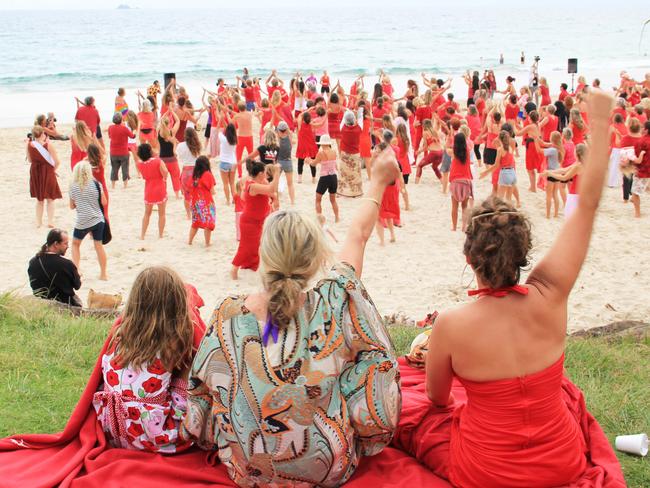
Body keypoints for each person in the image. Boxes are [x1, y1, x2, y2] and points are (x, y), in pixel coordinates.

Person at [393, 91, 621, 487]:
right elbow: (587, 203)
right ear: (522, 254)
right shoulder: (551, 294)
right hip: (562, 460)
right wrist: (600, 125)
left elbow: (438, 400)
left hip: (487, 472)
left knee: (422, 430)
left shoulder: (451, 325)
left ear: (470, 259)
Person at [182, 148, 402, 487]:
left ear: (264, 256)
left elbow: (198, 411)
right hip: (331, 470)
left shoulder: (228, 315)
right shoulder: (335, 299)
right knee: (374, 357)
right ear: (315, 260)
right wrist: (377, 183)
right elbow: (357, 236)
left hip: (247, 472)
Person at [93, 266, 202, 453]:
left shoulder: (120, 332)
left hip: (113, 428)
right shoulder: (174, 342)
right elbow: (196, 359)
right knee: (191, 367)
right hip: (150, 435)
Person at [230, 160, 280, 280]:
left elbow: (271, 191)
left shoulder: (253, 182)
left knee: (256, 245)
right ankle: (233, 270)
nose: (266, 174)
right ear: (260, 173)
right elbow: (271, 190)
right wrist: (277, 173)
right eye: (264, 173)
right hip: (250, 222)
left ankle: (251, 265)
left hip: (256, 221)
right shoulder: (252, 185)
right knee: (245, 247)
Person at [69, 161, 108, 281]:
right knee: (99, 246)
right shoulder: (96, 184)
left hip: (83, 220)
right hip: (97, 219)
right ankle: (103, 274)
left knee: (76, 244)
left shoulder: (73, 186)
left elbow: (71, 206)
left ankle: (77, 270)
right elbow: (104, 202)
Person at [27, 228, 82, 307]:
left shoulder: (33, 262)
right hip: (64, 305)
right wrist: (78, 275)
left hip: (41, 304)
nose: (68, 246)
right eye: (65, 243)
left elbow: (34, 285)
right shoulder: (67, 264)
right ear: (56, 244)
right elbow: (77, 286)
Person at [27, 125, 62, 228]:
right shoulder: (48, 145)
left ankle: (39, 222)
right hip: (47, 171)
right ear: (42, 134)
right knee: (50, 198)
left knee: (39, 199)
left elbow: (29, 160)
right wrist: (53, 170)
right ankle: (50, 221)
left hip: (35, 172)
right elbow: (57, 162)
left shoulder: (29, 145)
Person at [136, 143, 168, 239]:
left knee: (147, 213)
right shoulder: (158, 161)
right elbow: (165, 173)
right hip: (159, 187)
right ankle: (160, 234)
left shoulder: (139, 164)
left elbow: (144, 177)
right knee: (161, 213)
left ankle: (142, 235)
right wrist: (164, 179)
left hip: (149, 188)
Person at [306, 134, 340, 222]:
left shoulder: (321, 153)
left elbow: (314, 163)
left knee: (318, 199)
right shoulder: (334, 152)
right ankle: (337, 217)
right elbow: (330, 164)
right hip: (333, 177)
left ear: (322, 144)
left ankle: (319, 219)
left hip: (324, 177)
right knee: (333, 200)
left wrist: (309, 161)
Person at [188, 156, 216, 247]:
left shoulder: (194, 175)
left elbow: (189, 188)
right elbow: (212, 191)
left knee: (195, 223)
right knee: (209, 223)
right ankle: (207, 243)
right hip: (206, 202)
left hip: (195, 202)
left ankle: (190, 241)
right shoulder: (208, 174)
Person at [447, 132, 473, 231]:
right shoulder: (467, 151)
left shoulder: (453, 151)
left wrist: (449, 139)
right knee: (464, 206)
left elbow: (445, 148)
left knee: (454, 206)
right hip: (466, 180)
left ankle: (454, 227)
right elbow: (470, 143)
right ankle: (464, 226)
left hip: (455, 181)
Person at [338, 109, 364, 197]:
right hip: (355, 154)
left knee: (343, 174)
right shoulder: (358, 129)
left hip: (345, 154)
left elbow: (342, 120)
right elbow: (360, 118)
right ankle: (355, 192)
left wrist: (347, 111)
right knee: (355, 174)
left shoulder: (343, 129)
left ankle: (342, 191)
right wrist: (360, 110)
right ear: (354, 120)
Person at [108, 113, 135, 189]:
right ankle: (125, 185)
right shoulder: (124, 128)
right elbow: (132, 136)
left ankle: (113, 185)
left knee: (114, 169)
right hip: (123, 152)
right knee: (125, 168)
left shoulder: (110, 128)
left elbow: (110, 136)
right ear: (121, 120)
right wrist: (135, 131)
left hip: (113, 152)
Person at [629, 120, 650, 217]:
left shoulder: (641, 142)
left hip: (642, 171)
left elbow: (637, 158)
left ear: (645, 130)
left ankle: (637, 213)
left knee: (635, 192)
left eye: (642, 128)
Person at [276, 120, 296, 204]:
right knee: (290, 184)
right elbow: (289, 131)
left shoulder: (278, 138)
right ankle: (292, 201)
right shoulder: (290, 137)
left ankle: (275, 199)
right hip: (288, 161)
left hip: (279, 162)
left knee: (275, 183)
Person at [295, 111, 318, 183]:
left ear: (303, 119)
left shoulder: (300, 125)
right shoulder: (312, 125)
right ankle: (313, 178)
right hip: (311, 146)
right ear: (310, 119)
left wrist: (309, 109)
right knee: (313, 163)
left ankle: (299, 178)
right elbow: (319, 125)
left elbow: (299, 115)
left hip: (302, 146)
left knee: (300, 163)